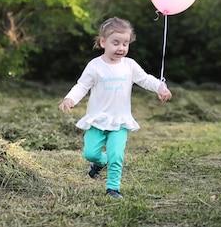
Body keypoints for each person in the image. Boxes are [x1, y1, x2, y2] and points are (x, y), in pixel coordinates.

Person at [58, 17, 172, 199]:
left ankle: (113, 188)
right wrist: (70, 99)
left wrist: (160, 86)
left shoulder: (129, 65)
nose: (121, 48)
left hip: (120, 120)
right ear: (103, 42)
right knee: (90, 153)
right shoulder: (95, 66)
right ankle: (100, 162)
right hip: (98, 119)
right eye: (116, 43)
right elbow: (82, 86)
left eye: (125, 43)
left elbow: (145, 79)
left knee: (116, 155)